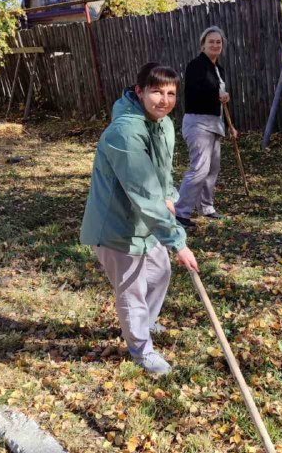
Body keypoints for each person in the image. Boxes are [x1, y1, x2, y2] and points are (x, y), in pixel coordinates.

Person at [80, 63, 198, 376]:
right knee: (132, 291)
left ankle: (143, 325)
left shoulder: (164, 124)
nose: (165, 99)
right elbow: (143, 193)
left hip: (147, 223)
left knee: (160, 273)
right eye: (157, 91)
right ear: (139, 92)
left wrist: (170, 195)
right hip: (117, 227)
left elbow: (160, 174)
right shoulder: (124, 133)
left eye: (171, 93)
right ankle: (141, 351)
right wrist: (178, 241)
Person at [175, 26, 238, 228]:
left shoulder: (219, 70)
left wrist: (231, 125)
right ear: (203, 44)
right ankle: (180, 213)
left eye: (218, 42)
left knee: (213, 168)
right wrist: (216, 96)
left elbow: (219, 100)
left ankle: (207, 207)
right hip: (197, 123)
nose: (215, 45)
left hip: (214, 123)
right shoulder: (196, 66)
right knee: (200, 168)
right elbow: (193, 93)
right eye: (211, 41)